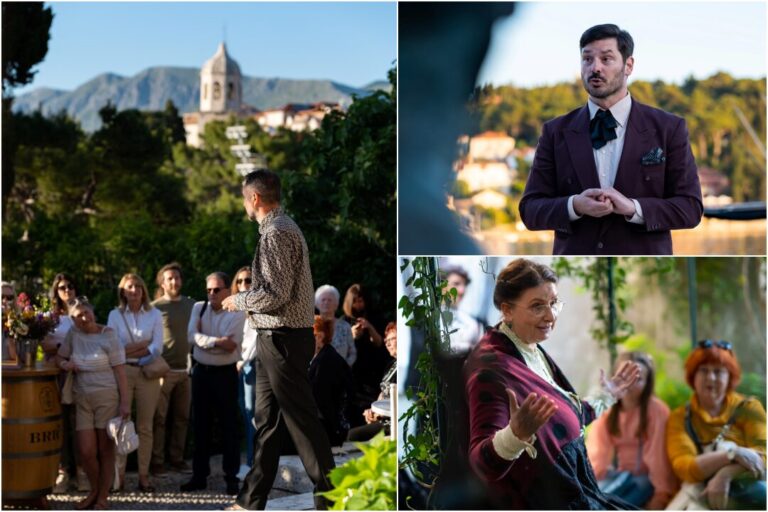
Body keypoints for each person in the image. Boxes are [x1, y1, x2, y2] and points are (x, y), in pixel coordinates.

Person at [464, 258, 641, 509]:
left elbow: (562, 419)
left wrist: (606, 395)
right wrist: (515, 436)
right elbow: (479, 464)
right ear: (507, 310)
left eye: (554, 303)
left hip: (578, 494)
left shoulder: (526, 346)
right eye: (537, 306)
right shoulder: (491, 369)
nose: (550, 315)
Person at [518, 24, 703, 255]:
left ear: (628, 65)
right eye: (587, 59)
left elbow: (691, 208)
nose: (595, 68)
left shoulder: (669, 128)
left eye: (606, 59)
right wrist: (575, 205)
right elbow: (530, 210)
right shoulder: (555, 131)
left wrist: (633, 208)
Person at [221, 169, 335, 510]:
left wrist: (237, 300)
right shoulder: (284, 227)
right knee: (267, 421)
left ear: (255, 198)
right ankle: (251, 499)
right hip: (276, 337)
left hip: (283, 337)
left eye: (244, 198)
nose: (244, 204)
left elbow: (275, 294)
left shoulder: (276, 233)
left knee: (301, 420)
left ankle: (333, 498)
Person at [666, 340, 766, 510]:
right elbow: (684, 467)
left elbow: (764, 456)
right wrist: (732, 454)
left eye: (719, 372)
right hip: (699, 496)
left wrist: (724, 476)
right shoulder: (680, 417)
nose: (711, 378)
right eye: (704, 371)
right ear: (693, 376)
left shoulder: (749, 408)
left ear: (730, 377)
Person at [56, 297, 130, 510]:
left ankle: (102, 496)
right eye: (78, 315)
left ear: (93, 312)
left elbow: (121, 372)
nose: (84, 318)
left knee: (105, 449)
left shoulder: (109, 335)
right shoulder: (74, 334)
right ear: (73, 319)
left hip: (107, 397)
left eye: (86, 313)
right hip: (82, 398)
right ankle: (95, 490)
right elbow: (58, 359)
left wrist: (125, 403)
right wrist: (66, 364)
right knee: (86, 451)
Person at [586, 352, 678, 508]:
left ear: (648, 383)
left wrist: (661, 496)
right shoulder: (608, 413)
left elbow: (658, 460)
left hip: (646, 480)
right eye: (624, 377)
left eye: (638, 379)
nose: (629, 384)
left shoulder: (656, 411)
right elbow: (597, 457)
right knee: (593, 500)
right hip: (620, 477)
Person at [181, 272, 244, 495]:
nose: (211, 294)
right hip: (201, 374)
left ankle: (231, 478)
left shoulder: (237, 312)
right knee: (201, 426)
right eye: (208, 290)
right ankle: (199, 476)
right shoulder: (199, 307)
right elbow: (190, 337)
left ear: (228, 290)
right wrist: (216, 342)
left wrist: (204, 340)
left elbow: (231, 345)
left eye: (216, 290)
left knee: (228, 426)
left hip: (225, 374)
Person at [106, 273, 164, 492]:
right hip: (123, 372)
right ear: (123, 290)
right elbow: (115, 347)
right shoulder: (115, 315)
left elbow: (157, 347)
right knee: (120, 424)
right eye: (130, 286)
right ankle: (118, 477)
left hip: (147, 372)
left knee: (145, 427)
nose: (135, 290)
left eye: (139, 286)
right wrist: (141, 345)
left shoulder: (155, 314)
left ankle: (143, 476)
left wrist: (136, 352)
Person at [150, 262, 196, 476]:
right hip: (163, 371)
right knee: (159, 419)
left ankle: (177, 460)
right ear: (162, 282)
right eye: (169, 278)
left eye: (177, 278)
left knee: (182, 418)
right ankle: (157, 462)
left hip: (185, 371)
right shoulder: (154, 307)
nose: (174, 281)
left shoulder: (192, 305)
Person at [41, 273, 81, 493]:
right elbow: (45, 345)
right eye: (62, 287)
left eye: (71, 286)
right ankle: (63, 472)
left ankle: (82, 471)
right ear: (56, 291)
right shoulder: (49, 316)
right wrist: (64, 351)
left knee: (80, 423)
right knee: (60, 423)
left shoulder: (82, 312)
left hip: (80, 372)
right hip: (57, 373)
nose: (67, 290)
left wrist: (63, 349)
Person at [342, 283, 392, 428]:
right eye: (355, 301)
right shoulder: (344, 322)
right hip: (354, 373)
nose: (358, 305)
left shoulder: (376, 318)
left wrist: (370, 328)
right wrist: (352, 335)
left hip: (373, 370)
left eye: (361, 301)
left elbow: (381, 343)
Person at [348, 322, 397, 442]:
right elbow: (382, 393)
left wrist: (379, 413)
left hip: (393, 420)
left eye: (393, 339)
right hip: (382, 415)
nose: (388, 343)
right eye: (386, 341)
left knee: (352, 436)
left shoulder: (405, 367)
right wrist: (372, 411)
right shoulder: (391, 365)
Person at [309, 315, 353, 446]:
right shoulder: (323, 357)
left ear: (319, 337)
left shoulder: (325, 361)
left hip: (329, 430)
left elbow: (320, 400)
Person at [232, 265, 258, 474]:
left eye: (248, 280)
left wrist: (242, 360)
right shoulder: (236, 308)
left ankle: (252, 464)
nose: (243, 285)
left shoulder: (257, 307)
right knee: (244, 413)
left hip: (251, 365)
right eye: (239, 281)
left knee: (252, 417)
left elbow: (256, 340)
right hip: (238, 365)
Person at [441, 264, 485, 354]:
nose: (462, 291)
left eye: (465, 285)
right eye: (456, 284)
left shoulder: (476, 323)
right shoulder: (425, 321)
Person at [315, 284, 356, 366]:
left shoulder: (345, 326)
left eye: (330, 300)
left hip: (340, 373)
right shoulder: (312, 325)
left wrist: (344, 368)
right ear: (317, 303)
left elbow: (352, 353)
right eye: (323, 300)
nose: (326, 302)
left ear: (336, 304)